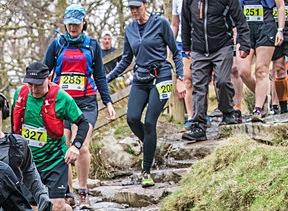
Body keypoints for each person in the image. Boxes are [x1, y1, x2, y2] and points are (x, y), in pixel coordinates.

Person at [12, 61, 89, 211]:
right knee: (29, 209)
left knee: (57, 206)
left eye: (38, 84)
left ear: (48, 78)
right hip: (28, 163)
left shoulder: (62, 98)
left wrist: (75, 146)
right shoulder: (20, 95)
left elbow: (83, 123)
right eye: (30, 84)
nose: (33, 89)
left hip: (55, 160)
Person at [43, 4, 115, 211]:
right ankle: (68, 192)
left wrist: (108, 102)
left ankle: (84, 192)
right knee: (64, 148)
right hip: (62, 102)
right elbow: (44, 73)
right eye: (69, 24)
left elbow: (100, 76)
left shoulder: (92, 45)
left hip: (86, 101)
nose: (72, 28)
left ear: (84, 22)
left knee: (81, 145)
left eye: (76, 24)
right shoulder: (56, 45)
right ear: (65, 23)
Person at [107, 0, 186, 187]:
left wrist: (181, 78)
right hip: (140, 78)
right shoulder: (130, 29)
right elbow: (126, 59)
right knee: (132, 118)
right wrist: (106, 78)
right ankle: (151, 145)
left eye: (137, 7)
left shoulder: (160, 23)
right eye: (131, 8)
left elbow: (175, 52)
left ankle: (146, 171)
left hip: (162, 77)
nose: (134, 11)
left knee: (150, 122)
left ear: (146, 5)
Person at [181, 0, 252, 142]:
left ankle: (227, 112)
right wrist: (186, 45)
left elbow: (240, 20)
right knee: (199, 86)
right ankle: (199, 126)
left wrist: (244, 45)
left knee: (223, 81)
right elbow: (185, 21)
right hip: (198, 48)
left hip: (222, 45)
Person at [235, 0, 286, 122]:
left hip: (265, 26)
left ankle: (258, 109)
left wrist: (280, 30)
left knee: (261, 70)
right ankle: (264, 97)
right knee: (242, 71)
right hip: (245, 28)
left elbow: (280, 6)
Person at [171, 0, 195, 131]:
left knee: (201, 78)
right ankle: (191, 117)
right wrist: (170, 43)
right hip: (182, 42)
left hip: (200, 39)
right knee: (187, 79)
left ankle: (203, 114)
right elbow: (175, 24)